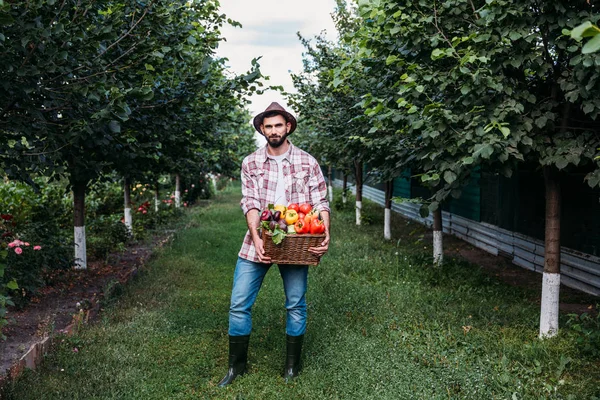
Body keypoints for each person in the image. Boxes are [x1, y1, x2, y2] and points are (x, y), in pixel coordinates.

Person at [218, 102, 331, 387]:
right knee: (238, 303)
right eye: (267, 126)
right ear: (262, 130)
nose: (273, 131)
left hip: (297, 238)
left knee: (295, 304)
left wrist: (324, 231)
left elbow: (320, 200)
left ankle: (292, 367)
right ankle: (236, 368)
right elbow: (251, 202)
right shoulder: (251, 162)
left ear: (288, 126)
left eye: (278, 125)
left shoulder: (308, 161)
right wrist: (257, 237)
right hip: (260, 237)